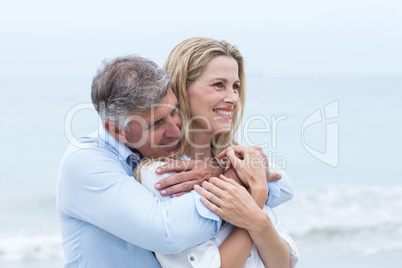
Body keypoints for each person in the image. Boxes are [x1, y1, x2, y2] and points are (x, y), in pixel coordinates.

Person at [57, 54, 294, 267]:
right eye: (156, 123)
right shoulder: (86, 162)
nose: (174, 130)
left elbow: (282, 186)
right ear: (117, 131)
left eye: (174, 111)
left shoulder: (172, 156)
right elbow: (168, 232)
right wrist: (237, 180)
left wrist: (220, 171)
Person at [135, 37, 298, 267]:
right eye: (218, 85)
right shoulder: (164, 174)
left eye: (235, 86)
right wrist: (256, 200)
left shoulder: (240, 162)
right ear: (182, 88)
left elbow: (284, 264)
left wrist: (238, 183)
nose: (233, 98)